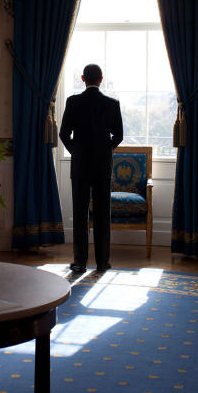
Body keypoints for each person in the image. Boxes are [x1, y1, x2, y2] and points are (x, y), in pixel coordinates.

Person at [59, 63, 124, 273]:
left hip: (80, 166)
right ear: (101, 79)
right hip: (103, 165)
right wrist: (106, 149)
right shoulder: (112, 103)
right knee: (103, 215)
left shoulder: (73, 101)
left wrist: (76, 151)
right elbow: (119, 135)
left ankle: (79, 263)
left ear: (83, 78)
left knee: (80, 214)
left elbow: (63, 134)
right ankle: (103, 263)